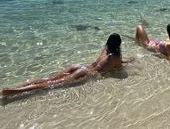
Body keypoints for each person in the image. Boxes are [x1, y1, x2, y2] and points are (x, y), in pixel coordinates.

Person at [2, 33, 131, 97]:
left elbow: (107, 63)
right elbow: (118, 68)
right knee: (50, 85)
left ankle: (17, 87)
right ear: (118, 45)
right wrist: (128, 63)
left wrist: (123, 61)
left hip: (80, 66)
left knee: (49, 79)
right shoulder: (116, 57)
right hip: (86, 73)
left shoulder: (105, 50)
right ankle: (14, 92)